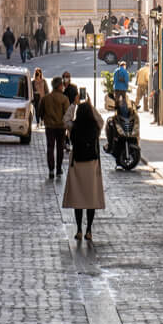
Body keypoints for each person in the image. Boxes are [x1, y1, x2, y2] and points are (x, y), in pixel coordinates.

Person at [63, 97, 105, 243]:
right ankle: (89, 231)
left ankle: (79, 229)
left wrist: (74, 104)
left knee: (79, 200)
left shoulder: (74, 126)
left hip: (77, 165)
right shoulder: (95, 127)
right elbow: (101, 120)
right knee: (90, 199)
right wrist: (91, 106)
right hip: (92, 165)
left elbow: (65, 119)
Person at [40, 75, 69, 178]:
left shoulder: (45, 98)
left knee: (50, 147)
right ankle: (59, 168)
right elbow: (67, 114)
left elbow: (41, 112)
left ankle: (51, 169)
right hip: (61, 127)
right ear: (60, 86)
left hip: (50, 126)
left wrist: (45, 119)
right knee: (60, 148)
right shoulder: (64, 99)